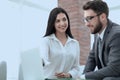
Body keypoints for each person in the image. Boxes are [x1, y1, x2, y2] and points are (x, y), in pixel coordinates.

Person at [80, 0, 120, 80]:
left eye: (89, 18)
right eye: (85, 19)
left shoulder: (116, 35)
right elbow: (92, 59)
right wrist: (82, 77)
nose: (86, 24)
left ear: (103, 17)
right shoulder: (98, 34)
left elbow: (114, 69)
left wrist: (85, 77)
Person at [40, 7, 80, 79]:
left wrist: (69, 74)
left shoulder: (75, 43)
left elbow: (76, 68)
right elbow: (44, 58)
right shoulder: (47, 41)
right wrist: (41, 62)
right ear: (53, 24)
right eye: (57, 21)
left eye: (64, 19)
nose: (62, 23)